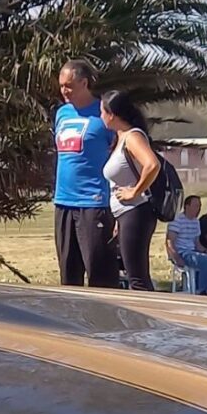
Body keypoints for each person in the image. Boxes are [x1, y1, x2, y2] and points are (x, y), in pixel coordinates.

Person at [49, 60, 117, 287]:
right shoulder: (62, 113)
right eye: (61, 86)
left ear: (84, 83)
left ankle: (105, 320)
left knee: (100, 274)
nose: (64, 91)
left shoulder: (104, 114)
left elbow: (121, 153)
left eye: (69, 85)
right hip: (64, 202)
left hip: (94, 203)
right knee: (69, 275)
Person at [101, 91, 165, 291]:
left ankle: (147, 320)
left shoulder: (133, 137)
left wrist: (135, 192)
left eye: (102, 112)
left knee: (137, 278)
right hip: (126, 216)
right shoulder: (120, 138)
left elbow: (152, 165)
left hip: (137, 212)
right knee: (133, 275)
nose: (100, 117)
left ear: (112, 114)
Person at [165, 196, 204, 291]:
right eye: (196, 206)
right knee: (206, 261)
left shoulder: (196, 222)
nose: (198, 209)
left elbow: (197, 243)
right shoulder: (177, 220)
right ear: (187, 206)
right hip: (182, 252)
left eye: (199, 206)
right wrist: (176, 258)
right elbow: (169, 242)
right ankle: (202, 289)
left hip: (193, 251)